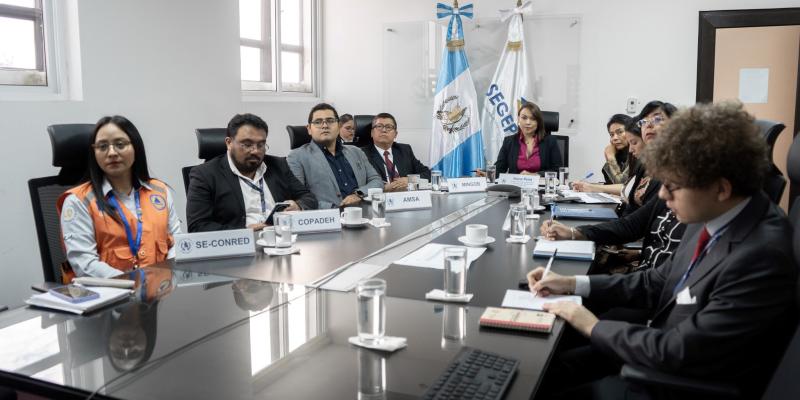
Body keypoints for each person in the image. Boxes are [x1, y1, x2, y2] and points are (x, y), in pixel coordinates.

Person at [531, 101, 797, 399]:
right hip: (655, 345)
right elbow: (656, 280)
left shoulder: (762, 257)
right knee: (540, 370)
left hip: (673, 382)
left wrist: (589, 323)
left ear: (721, 188)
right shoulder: (713, 211)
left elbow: (679, 351)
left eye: (673, 185)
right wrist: (571, 283)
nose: (661, 194)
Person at [58, 116, 181, 281]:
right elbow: (84, 264)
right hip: (109, 297)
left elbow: (177, 242)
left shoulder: (159, 192)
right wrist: (133, 284)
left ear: (135, 147)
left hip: (159, 295)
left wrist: (164, 277)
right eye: (102, 146)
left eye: (120, 144)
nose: (112, 153)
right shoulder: (78, 201)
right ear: (94, 153)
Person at [187, 113, 317, 233]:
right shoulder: (204, 174)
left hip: (281, 239)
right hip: (238, 247)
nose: (255, 151)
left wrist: (298, 205)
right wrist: (244, 232)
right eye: (247, 144)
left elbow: (309, 198)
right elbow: (198, 226)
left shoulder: (278, 165)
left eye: (261, 145)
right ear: (229, 143)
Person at [287, 103, 384, 209]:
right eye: (318, 122)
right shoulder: (297, 157)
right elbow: (299, 198)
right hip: (327, 219)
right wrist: (335, 209)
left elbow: (376, 181)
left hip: (364, 214)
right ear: (309, 129)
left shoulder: (356, 152)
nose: (325, 125)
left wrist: (359, 194)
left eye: (330, 121)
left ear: (338, 126)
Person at [478, 102, 562, 176]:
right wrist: (487, 174)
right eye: (524, 118)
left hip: (542, 190)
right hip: (515, 189)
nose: (528, 122)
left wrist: (535, 175)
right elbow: (500, 169)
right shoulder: (509, 141)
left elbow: (557, 171)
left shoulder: (550, 141)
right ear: (518, 119)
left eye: (532, 119)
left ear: (538, 122)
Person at [361, 112, 431, 192]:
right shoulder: (361, 154)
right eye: (379, 126)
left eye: (388, 127)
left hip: (407, 199)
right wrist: (383, 188)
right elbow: (360, 183)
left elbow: (427, 174)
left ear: (395, 134)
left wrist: (410, 180)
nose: (384, 130)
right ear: (372, 133)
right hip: (379, 199)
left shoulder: (404, 150)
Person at [601, 114, 631, 184]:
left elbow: (622, 186)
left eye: (620, 132)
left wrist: (610, 157)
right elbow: (610, 184)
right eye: (612, 134)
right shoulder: (619, 154)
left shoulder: (638, 154)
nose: (615, 138)